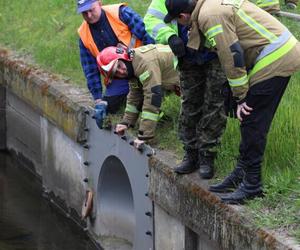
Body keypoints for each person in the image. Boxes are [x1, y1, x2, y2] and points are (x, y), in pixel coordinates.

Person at [164, 0, 300, 204]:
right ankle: (241, 173)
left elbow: (231, 55)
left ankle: (252, 184)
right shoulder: (208, 6)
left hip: (276, 56)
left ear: (183, 16)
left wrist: (241, 96)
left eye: (178, 21)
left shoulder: (210, 16)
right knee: (249, 119)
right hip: (274, 51)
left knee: (252, 119)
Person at [144, 0, 227, 179]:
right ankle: (191, 153)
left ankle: (207, 155)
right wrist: (170, 36)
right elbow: (151, 20)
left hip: (215, 55)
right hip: (186, 57)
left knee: (214, 105)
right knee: (189, 105)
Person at [77, 0, 155, 128]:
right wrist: (98, 100)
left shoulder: (120, 13)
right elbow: (90, 70)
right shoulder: (83, 35)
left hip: (139, 63)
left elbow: (146, 34)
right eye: (84, 13)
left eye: (91, 10)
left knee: (150, 93)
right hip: (118, 76)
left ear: (100, 4)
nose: (89, 16)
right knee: (111, 106)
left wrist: (151, 61)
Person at [96, 44, 180, 148]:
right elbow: (134, 96)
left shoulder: (144, 63)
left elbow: (153, 97)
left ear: (123, 57)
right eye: (116, 73)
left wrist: (144, 136)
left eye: (119, 66)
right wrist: (126, 122)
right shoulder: (132, 65)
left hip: (191, 72)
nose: (121, 72)